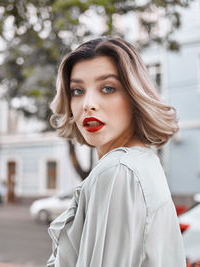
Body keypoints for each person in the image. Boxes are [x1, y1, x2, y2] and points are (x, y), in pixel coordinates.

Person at [47, 37, 185, 267]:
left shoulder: (119, 171)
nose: (88, 104)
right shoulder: (143, 162)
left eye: (108, 88)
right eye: (77, 90)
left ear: (134, 97)